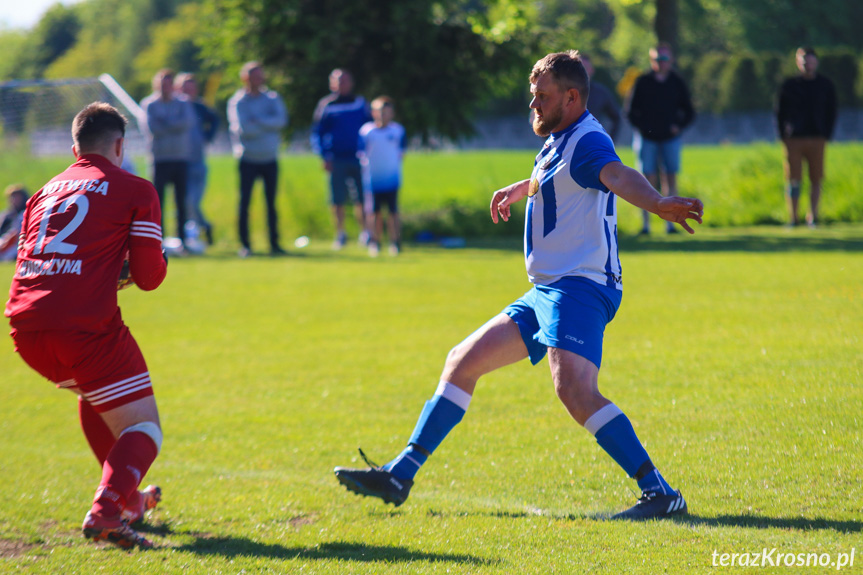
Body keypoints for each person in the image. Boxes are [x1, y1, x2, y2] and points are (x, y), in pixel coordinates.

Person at [334, 51, 703, 520]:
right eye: (533, 95)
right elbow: (554, 177)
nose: (533, 104)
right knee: (462, 361)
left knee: (574, 389)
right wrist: (520, 188)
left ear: (571, 98)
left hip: (580, 286)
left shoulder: (588, 139)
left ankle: (661, 494)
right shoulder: (557, 138)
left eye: (542, 96)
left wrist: (655, 202)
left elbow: (615, 173)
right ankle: (400, 473)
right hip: (548, 288)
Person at [4, 102, 169, 549]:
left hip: (26, 328)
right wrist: (136, 268)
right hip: (84, 329)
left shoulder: (44, 190)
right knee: (144, 430)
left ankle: (129, 501)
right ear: (120, 145)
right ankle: (108, 510)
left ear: (73, 147)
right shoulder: (135, 189)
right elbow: (151, 277)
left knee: (96, 396)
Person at [625, 43, 695, 235]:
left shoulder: (677, 83)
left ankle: (671, 223)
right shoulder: (643, 82)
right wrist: (644, 128)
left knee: (670, 177)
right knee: (647, 178)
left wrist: (677, 127)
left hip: (670, 139)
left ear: (670, 61)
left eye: (664, 59)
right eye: (657, 59)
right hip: (647, 139)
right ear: (651, 61)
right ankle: (646, 224)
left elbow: (689, 111)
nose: (661, 63)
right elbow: (631, 112)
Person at [227, 61, 288, 257]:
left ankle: (274, 244)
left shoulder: (272, 98)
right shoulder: (238, 101)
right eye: (254, 76)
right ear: (245, 79)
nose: (259, 80)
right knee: (245, 203)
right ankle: (245, 245)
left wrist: (259, 121)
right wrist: (267, 124)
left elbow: (281, 121)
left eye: (261, 76)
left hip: (270, 158)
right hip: (248, 159)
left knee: (271, 204)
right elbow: (245, 129)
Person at [311, 69, 373, 249]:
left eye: (345, 80)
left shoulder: (360, 103)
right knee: (337, 199)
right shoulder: (325, 105)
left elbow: (369, 128)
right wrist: (324, 155)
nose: (341, 84)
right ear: (331, 84)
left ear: (351, 83)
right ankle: (340, 234)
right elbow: (317, 133)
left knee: (362, 198)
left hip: (359, 159)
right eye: (338, 81)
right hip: (336, 158)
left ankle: (366, 233)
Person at [776, 47, 837, 228]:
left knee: (816, 178)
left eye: (810, 61)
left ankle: (813, 216)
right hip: (794, 138)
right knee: (793, 179)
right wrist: (783, 135)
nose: (807, 65)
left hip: (817, 137)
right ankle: (793, 217)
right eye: (803, 61)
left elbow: (832, 111)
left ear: (816, 62)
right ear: (797, 62)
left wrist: (826, 134)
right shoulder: (790, 85)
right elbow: (779, 112)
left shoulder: (825, 85)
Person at [140, 68, 195, 247]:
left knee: (181, 201)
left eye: (168, 84)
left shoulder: (183, 102)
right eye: (161, 85)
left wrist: (165, 123)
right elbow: (152, 128)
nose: (165, 88)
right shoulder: (149, 104)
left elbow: (186, 123)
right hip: (159, 159)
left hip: (180, 157)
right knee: (157, 202)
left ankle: (183, 240)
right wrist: (172, 125)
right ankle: (158, 241)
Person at [358, 96, 407, 257]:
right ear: (373, 113)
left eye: (386, 112)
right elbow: (361, 153)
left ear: (392, 113)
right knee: (374, 212)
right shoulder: (367, 131)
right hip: (372, 179)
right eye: (379, 112)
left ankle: (395, 242)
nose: (382, 115)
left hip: (391, 178)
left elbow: (401, 153)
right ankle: (375, 242)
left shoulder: (397, 131)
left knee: (393, 212)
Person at [175, 72, 220, 246]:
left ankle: (203, 227)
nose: (188, 90)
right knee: (183, 202)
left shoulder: (201, 107)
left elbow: (214, 120)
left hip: (198, 163)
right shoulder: (176, 106)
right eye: (184, 86)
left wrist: (207, 137)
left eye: (191, 86)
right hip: (179, 161)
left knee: (192, 202)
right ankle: (190, 233)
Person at [581, 54, 621, 141]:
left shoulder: (600, 92)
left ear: (592, 70)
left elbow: (616, 117)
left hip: (592, 141)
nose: (582, 72)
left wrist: (609, 140)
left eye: (585, 68)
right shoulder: (564, 92)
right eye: (580, 68)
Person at [0, 184, 29, 261]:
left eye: (17, 197)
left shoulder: (25, 213)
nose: (14, 200)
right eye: (12, 197)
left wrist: (4, 245)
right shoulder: (6, 215)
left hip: (18, 245)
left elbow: (16, 234)